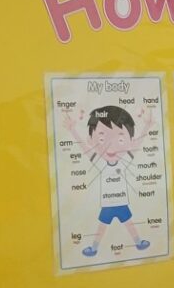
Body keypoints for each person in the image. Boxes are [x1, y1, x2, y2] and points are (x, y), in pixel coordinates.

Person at [61, 103, 154, 257]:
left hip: (122, 203)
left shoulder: (124, 162)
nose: (111, 146)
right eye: (102, 139)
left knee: (129, 224)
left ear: (129, 141)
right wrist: (73, 130)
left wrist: (147, 127)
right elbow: (86, 149)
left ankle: (138, 243)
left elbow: (136, 146)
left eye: (120, 140)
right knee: (102, 227)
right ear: (92, 140)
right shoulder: (100, 163)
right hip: (108, 205)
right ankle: (94, 248)